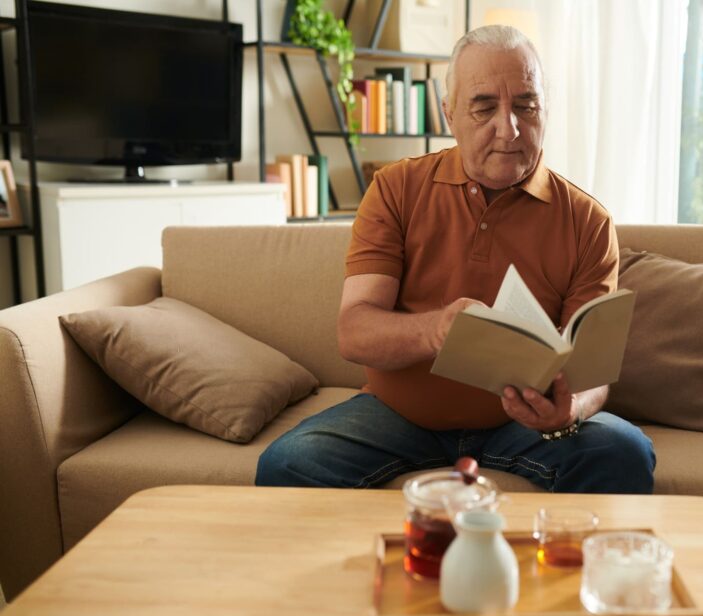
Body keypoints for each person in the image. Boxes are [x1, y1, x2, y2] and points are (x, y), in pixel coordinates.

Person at [256, 25, 655, 493]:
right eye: (484, 106)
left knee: (624, 451)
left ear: (545, 111)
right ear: (449, 114)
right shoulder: (395, 189)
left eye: (526, 105)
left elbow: (592, 376)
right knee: (286, 463)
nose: (508, 128)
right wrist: (439, 328)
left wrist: (569, 410)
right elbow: (355, 332)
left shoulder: (587, 220)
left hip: (525, 427)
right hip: (399, 416)